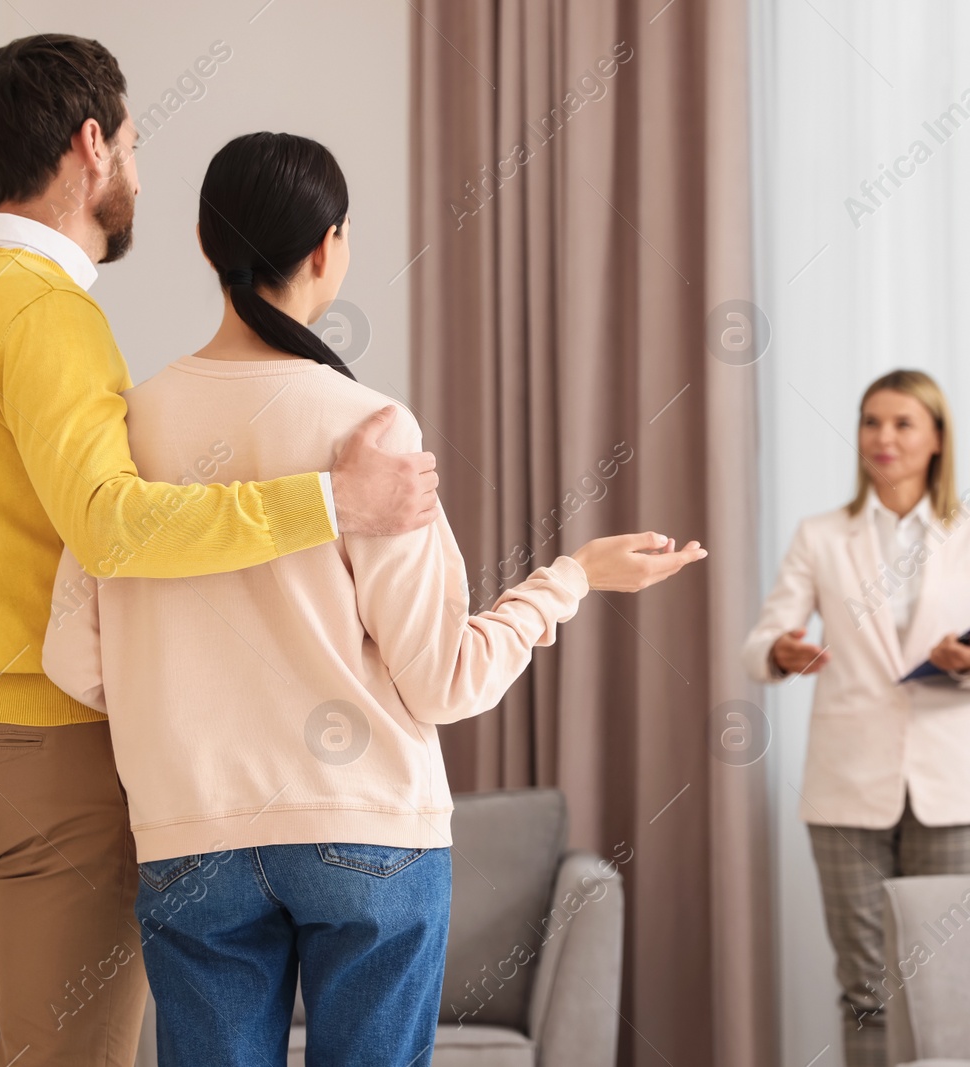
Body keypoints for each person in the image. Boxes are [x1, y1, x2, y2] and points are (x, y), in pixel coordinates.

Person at [40, 130, 707, 1067]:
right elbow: (442, 681)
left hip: (189, 834)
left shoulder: (129, 424)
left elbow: (71, 658)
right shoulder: (368, 426)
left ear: (203, 244)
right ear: (327, 249)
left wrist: (181, 705)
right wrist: (573, 578)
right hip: (366, 831)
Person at [0, 36, 440, 1067]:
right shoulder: (49, 317)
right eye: (132, 142)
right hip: (52, 764)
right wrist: (331, 497)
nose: (135, 165)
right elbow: (115, 526)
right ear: (92, 145)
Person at [741, 369, 970, 1067]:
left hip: (955, 787)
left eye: (903, 423)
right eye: (871, 421)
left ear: (936, 437)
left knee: (951, 980)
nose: (884, 437)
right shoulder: (821, 535)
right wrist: (782, 651)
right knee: (867, 985)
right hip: (847, 787)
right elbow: (759, 644)